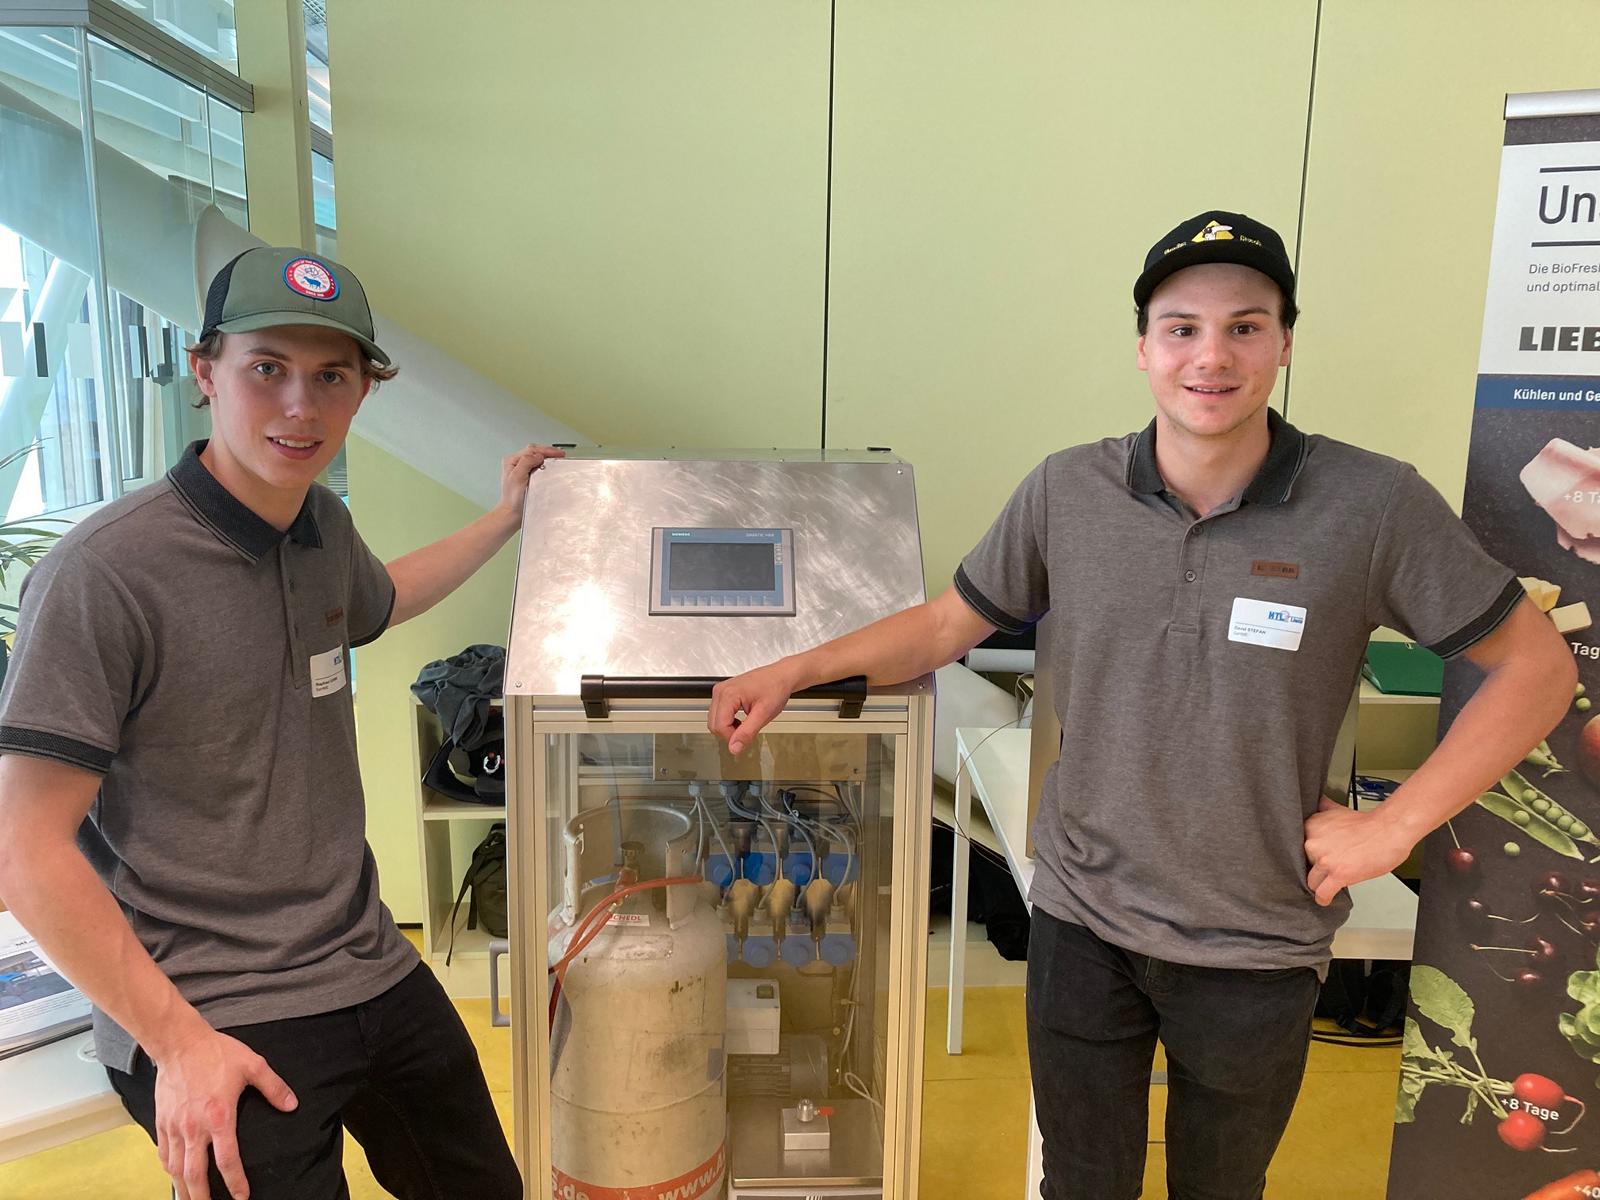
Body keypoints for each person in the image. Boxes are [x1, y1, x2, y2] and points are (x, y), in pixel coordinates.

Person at [707, 211, 1575, 1199]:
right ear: (1143, 347)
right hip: (1083, 920)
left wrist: (1396, 825)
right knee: (1082, 1184)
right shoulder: (1066, 491)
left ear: (1284, 344)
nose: (1212, 356)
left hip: (1257, 943)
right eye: (1182, 328)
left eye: (1244, 327)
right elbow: (947, 623)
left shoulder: (1372, 507)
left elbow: (1537, 669)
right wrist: (796, 669)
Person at [0, 246, 563, 1200]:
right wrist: (179, 1045)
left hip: (362, 957)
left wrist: (506, 517)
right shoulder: (102, 576)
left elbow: (384, 597)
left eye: (330, 377)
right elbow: (23, 849)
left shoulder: (320, 529)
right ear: (206, 371)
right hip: (209, 998)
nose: (300, 406)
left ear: (361, 394)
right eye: (268, 368)